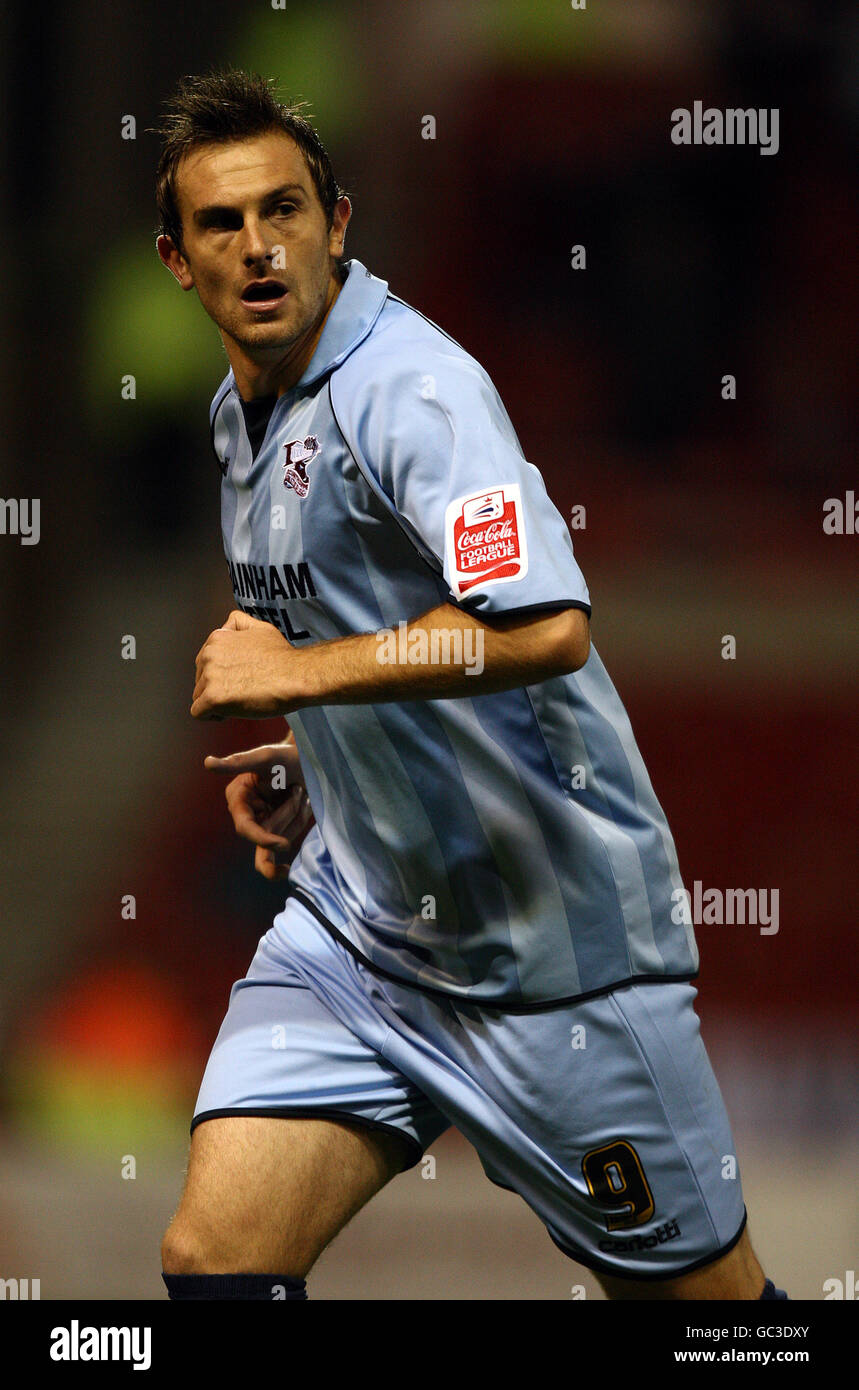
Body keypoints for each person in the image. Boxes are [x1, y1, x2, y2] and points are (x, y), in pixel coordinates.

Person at [153, 69, 786, 1301]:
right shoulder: (245, 412)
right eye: (222, 224)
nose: (259, 245)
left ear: (339, 223)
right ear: (178, 261)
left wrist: (298, 675)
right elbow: (384, 628)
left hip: (551, 972)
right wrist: (330, 757)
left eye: (285, 209)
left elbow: (542, 626)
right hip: (360, 935)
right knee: (215, 1265)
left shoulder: (413, 393)